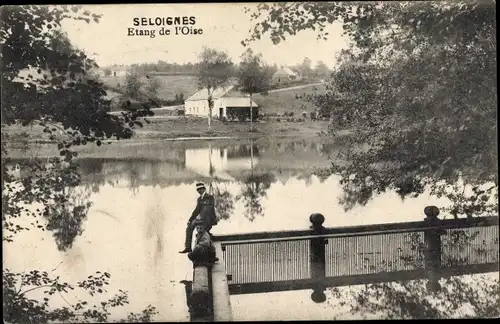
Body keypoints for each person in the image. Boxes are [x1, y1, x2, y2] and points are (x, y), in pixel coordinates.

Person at [179, 182, 216, 254]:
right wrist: (190, 219)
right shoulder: (199, 199)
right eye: (198, 190)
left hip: (208, 220)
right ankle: (188, 247)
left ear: (204, 189)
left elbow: (209, 210)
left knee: (200, 231)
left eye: (200, 189)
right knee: (189, 227)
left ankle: (202, 250)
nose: (199, 191)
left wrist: (199, 219)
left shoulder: (210, 197)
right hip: (202, 220)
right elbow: (196, 211)